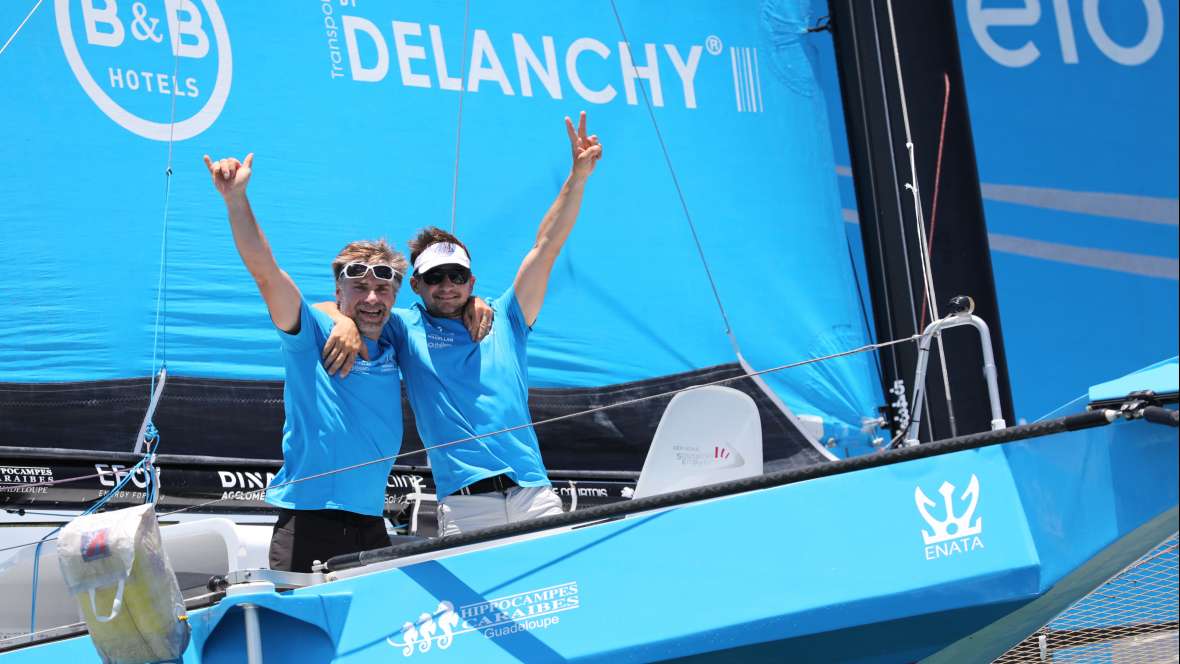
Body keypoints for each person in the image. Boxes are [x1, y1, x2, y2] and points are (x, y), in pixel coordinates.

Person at [202, 152, 492, 571]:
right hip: (308, 520)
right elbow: (266, 273)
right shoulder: (312, 333)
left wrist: (477, 303)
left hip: (371, 523)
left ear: (396, 296)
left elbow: (443, 309)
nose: (371, 298)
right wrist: (236, 200)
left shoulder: (397, 341)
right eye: (358, 287)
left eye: (382, 289)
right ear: (337, 291)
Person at [322, 111, 603, 535]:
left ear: (471, 280)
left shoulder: (508, 315)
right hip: (465, 507)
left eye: (456, 276)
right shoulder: (401, 326)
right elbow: (343, 305)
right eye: (435, 277)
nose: (447, 286)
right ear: (415, 284)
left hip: (533, 495)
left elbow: (546, 245)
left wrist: (578, 176)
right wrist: (339, 321)